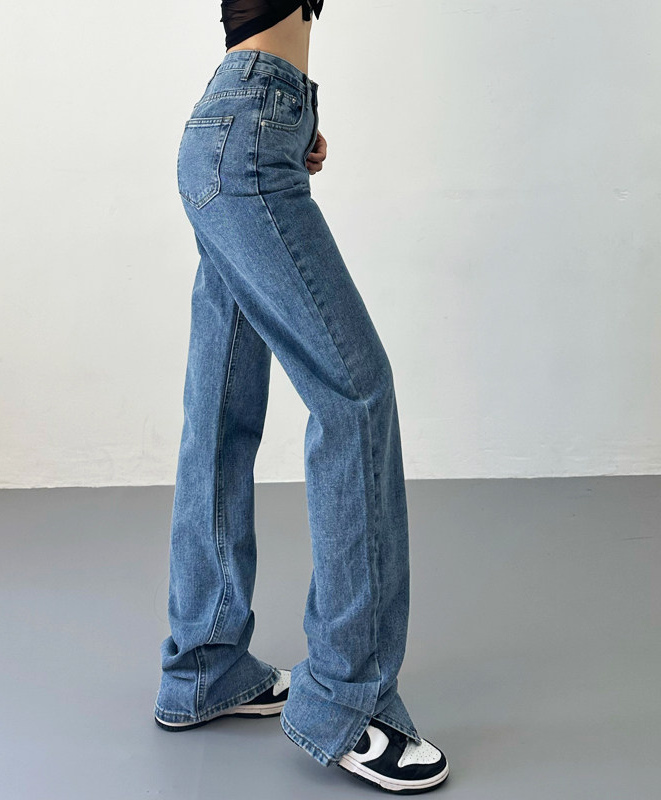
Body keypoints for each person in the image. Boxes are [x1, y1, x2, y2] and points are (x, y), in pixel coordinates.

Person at [154, 1, 450, 793]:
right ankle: (351, 703)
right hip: (248, 130)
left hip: (244, 126)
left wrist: (293, 118)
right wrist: (276, 118)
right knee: (356, 395)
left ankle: (205, 666)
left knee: (220, 411)